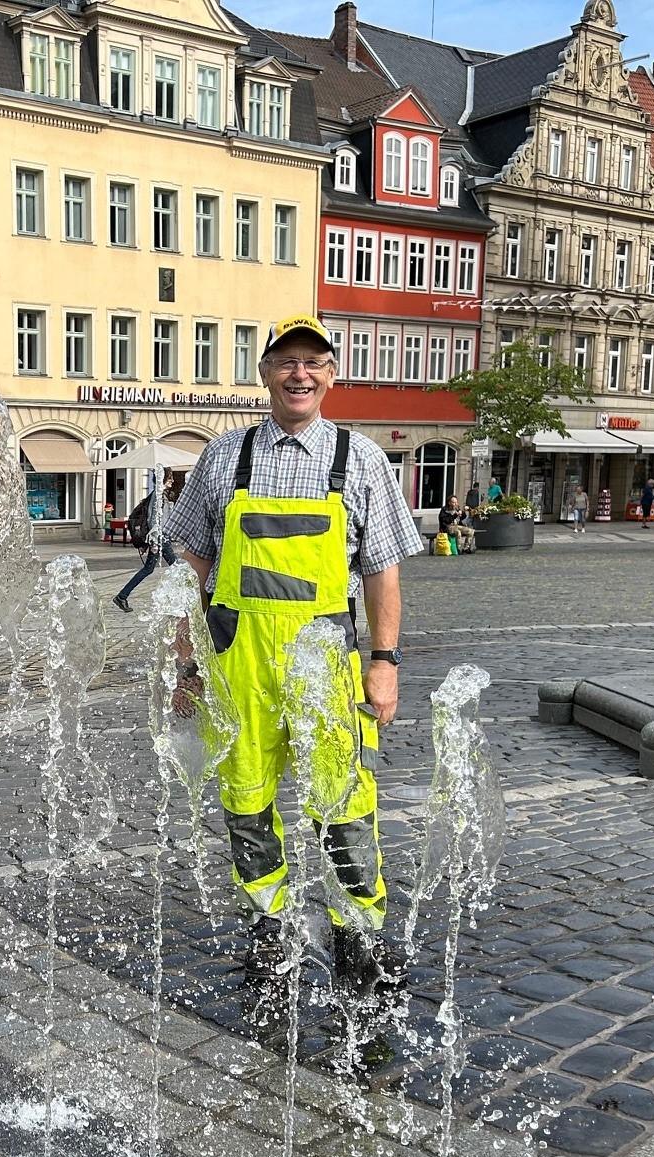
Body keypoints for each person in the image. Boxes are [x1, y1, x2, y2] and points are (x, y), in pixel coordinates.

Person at [164, 315, 422, 1024]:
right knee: (246, 804)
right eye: (286, 362)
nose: (299, 374)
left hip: (327, 663)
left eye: (312, 361)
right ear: (265, 374)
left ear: (330, 374)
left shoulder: (360, 458)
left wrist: (384, 664)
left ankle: (358, 936)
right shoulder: (225, 456)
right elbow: (190, 563)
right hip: (239, 662)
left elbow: (383, 573)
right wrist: (187, 662)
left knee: (345, 803)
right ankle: (269, 931)